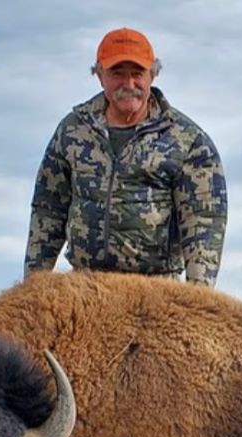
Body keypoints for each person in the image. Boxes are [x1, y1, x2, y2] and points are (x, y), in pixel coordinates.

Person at [23, 27, 228, 287]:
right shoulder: (73, 130)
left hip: (156, 289)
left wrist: (198, 296)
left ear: (152, 74)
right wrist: (32, 287)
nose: (128, 84)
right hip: (85, 287)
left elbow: (204, 220)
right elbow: (48, 209)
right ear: (100, 75)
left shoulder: (188, 140)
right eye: (117, 73)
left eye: (137, 74)